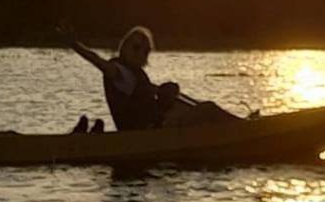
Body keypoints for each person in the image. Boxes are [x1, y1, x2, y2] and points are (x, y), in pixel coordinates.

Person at [60, 24, 239, 131]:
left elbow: (169, 97)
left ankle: (239, 126)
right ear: (125, 47)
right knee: (208, 110)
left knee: (200, 105)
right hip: (145, 132)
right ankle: (241, 128)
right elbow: (97, 61)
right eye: (136, 48)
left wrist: (194, 105)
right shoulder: (117, 71)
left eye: (145, 51)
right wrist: (74, 44)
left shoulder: (136, 76)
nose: (140, 53)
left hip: (154, 126)